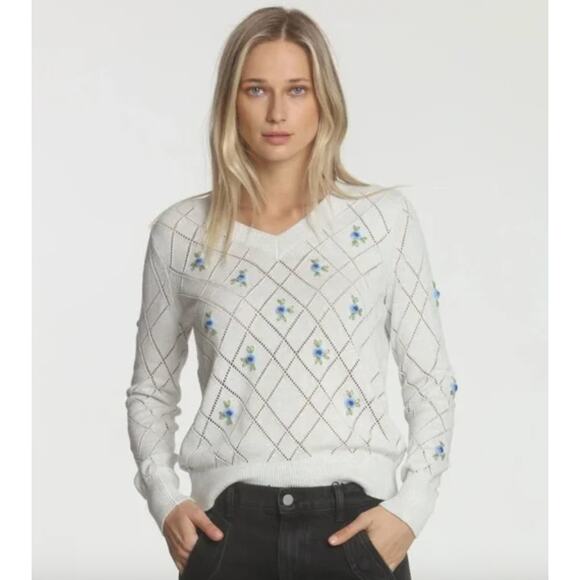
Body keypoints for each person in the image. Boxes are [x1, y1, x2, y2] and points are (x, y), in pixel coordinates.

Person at [125, 7, 458, 580]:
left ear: (323, 100)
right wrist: (164, 498)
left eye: (296, 90)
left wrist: (412, 508)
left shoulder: (383, 221)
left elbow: (430, 380)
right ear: (231, 101)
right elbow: (151, 389)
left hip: (353, 527)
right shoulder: (180, 234)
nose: (277, 112)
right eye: (256, 89)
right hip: (227, 532)